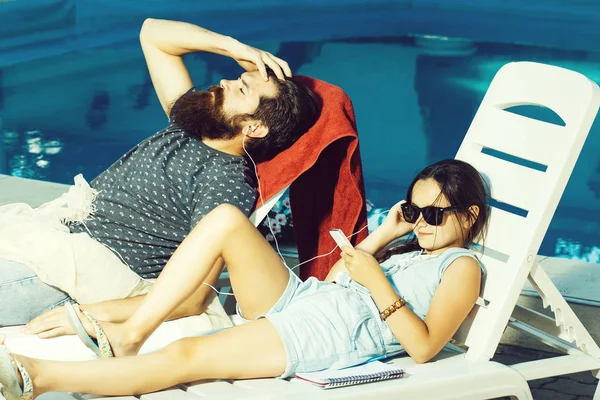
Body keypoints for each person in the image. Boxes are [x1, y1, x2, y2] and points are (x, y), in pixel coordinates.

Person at [0, 158, 490, 399]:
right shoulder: (409, 248)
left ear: (468, 216)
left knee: (187, 356)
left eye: (435, 214)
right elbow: (343, 276)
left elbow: (425, 347)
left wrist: (378, 283)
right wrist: (383, 235)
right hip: (310, 298)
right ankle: (136, 327)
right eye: (414, 209)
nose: (422, 222)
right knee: (226, 220)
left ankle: (36, 378)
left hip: (328, 333)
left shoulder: (461, 267)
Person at [0, 18, 321, 326]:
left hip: (76, 276)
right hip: (50, 241)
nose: (225, 81)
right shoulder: (189, 124)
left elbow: (194, 298)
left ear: (254, 126)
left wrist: (89, 316)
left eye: (241, 90)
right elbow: (153, 34)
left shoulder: (225, 182)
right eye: (238, 79)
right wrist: (233, 47)